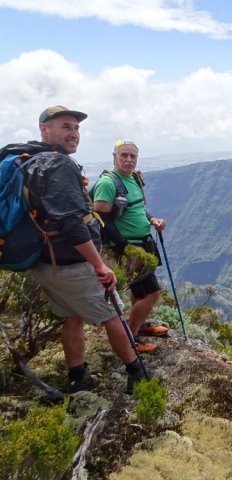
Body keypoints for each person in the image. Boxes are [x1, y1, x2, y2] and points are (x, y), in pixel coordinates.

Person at [28, 105, 150, 393]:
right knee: (112, 315)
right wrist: (99, 265)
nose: (74, 133)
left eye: (76, 127)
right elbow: (72, 222)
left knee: (72, 316)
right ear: (45, 129)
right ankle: (137, 375)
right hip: (72, 264)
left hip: (46, 260)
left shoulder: (33, 161)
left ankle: (77, 376)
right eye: (65, 126)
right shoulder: (59, 165)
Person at [92, 140, 168, 353]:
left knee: (139, 290)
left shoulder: (133, 179)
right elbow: (100, 219)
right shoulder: (108, 183)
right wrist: (126, 247)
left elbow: (137, 209)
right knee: (152, 293)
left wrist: (153, 219)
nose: (129, 160)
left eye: (132, 156)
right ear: (114, 156)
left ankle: (139, 324)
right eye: (124, 155)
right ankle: (130, 339)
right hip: (128, 247)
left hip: (143, 242)